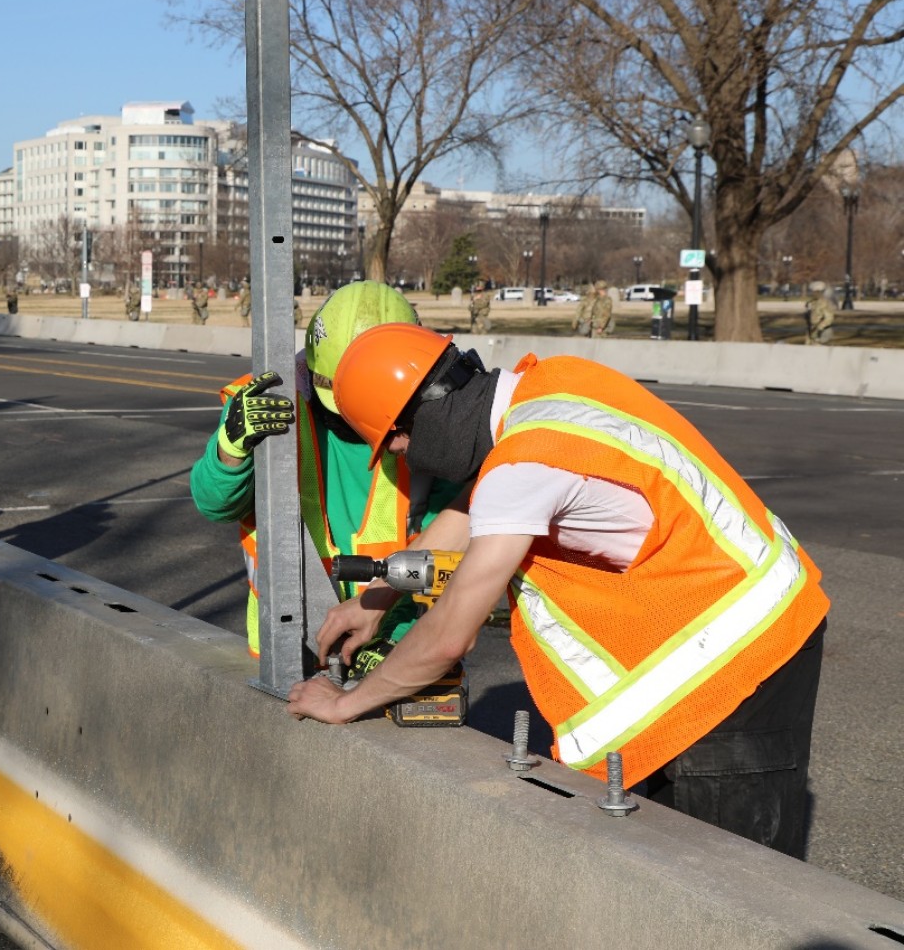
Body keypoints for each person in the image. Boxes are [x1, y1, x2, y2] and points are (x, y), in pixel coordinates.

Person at [291, 323, 830, 856]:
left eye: (400, 438)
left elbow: (449, 637)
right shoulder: (553, 385)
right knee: (677, 852)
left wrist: (345, 704)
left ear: (430, 409)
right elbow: (469, 506)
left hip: (743, 647)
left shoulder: (523, 467)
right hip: (738, 609)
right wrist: (377, 596)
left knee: (728, 876)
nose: (405, 454)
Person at [190, 283, 460, 667]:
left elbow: (447, 551)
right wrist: (230, 450)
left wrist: (395, 643)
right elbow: (215, 504)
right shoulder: (262, 407)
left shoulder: (430, 432)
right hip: (287, 647)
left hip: (398, 649)